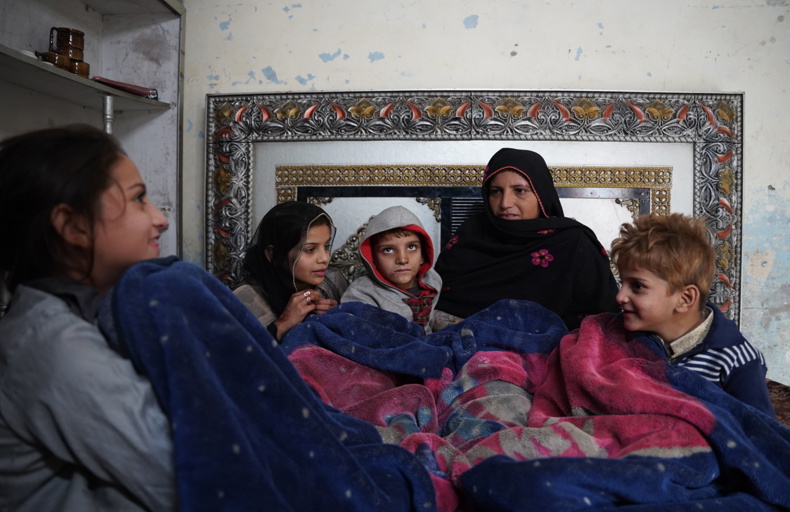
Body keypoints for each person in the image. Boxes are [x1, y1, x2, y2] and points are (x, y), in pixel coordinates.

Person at [0, 125, 176, 510]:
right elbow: (188, 480)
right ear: (74, 226)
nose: (160, 219)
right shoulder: (54, 348)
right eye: (139, 200)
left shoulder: (90, 314)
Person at [432, 147, 620, 330]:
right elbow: (436, 305)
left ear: (541, 194)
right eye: (496, 191)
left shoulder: (572, 242)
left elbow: (603, 317)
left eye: (520, 191)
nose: (505, 203)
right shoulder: (470, 236)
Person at [610, 213, 774, 415]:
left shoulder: (736, 359)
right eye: (622, 283)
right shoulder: (618, 337)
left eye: (637, 286)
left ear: (685, 299)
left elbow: (759, 430)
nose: (620, 296)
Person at [234, 201, 348, 341]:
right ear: (272, 254)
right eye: (310, 250)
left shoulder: (332, 280)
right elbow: (234, 356)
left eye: (326, 246)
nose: (324, 258)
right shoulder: (248, 297)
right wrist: (283, 323)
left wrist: (338, 316)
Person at [341, 205, 443, 332]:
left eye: (411, 247)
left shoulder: (432, 281)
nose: (402, 259)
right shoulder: (360, 294)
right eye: (388, 250)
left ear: (423, 255)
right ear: (372, 258)